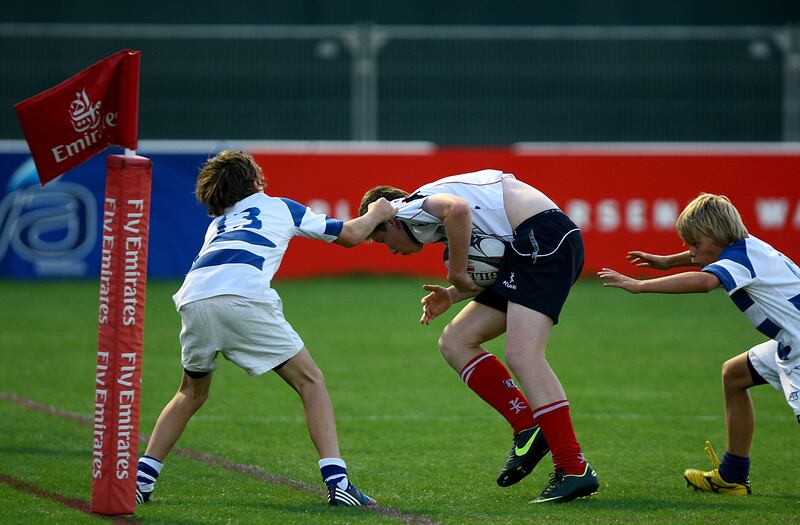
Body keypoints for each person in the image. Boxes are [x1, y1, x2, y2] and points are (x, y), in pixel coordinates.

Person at [135, 150, 395, 507]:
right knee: (311, 381)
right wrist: (377, 212)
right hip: (243, 297)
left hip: (193, 299)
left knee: (190, 393)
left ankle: (141, 480)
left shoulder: (219, 222)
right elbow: (350, 235)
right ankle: (339, 484)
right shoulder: (280, 206)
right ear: (255, 181)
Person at [358, 169, 599, 504]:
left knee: (523, 354)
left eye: (384, 241)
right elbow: (494, 264)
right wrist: (452, 294)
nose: (392, 251)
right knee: (456, 340)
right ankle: (528, 427)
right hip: (529, 247)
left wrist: (456, 274)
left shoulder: (410, 208)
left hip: (543, 238)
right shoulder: (427, 221)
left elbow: (458, 209)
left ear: (390, 223)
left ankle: (573, 467)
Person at [598, 193, 800, 495]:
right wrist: (668, 262)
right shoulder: (748, 247)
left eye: (694, 244)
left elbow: (705, 282)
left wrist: (639, 286)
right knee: (735, 375)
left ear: (716, 236)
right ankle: (732, 475)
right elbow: (707, 256)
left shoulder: (738, 261)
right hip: (790, 342)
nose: (691, 251)